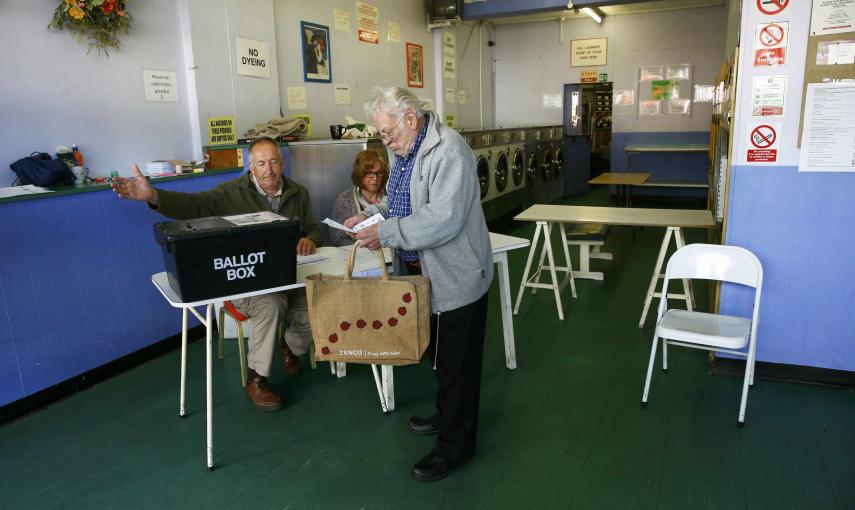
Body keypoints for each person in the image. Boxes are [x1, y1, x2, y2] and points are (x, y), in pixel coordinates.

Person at [345, 87, 493, 482]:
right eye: (380, 132)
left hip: (457, 276)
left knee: (457, 365)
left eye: (387, 130)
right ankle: (446, 416)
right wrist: (371, 216)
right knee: (439, 355)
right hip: (421, 277)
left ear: (411, 118)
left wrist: (388, 233)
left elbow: (443, 218)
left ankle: (455, 448)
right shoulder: (404, 149)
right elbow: (400, 202)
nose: (384, 140)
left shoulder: (450, 152)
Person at [112, 137, 321, 412]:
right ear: (251, 167)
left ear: (282, 163)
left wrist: (309, 239)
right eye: (261, 163)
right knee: (273, 303)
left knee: (316, 298)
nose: (268, 169)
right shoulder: (231, 192)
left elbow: (312, 227)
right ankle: (256, 378)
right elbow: (193, 206)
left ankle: (291, 349)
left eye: (273, 162)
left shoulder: (298, 192)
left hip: (287, 274)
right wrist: (153, 196)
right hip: (247, 279)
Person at [328, 150, 388, 247]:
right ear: (360, 174)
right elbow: (337, 238)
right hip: (359, 256)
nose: (375, 178)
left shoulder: (391, 196)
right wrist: (363, 245)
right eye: (369, 173)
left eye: (379, 173)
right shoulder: (345, 199)